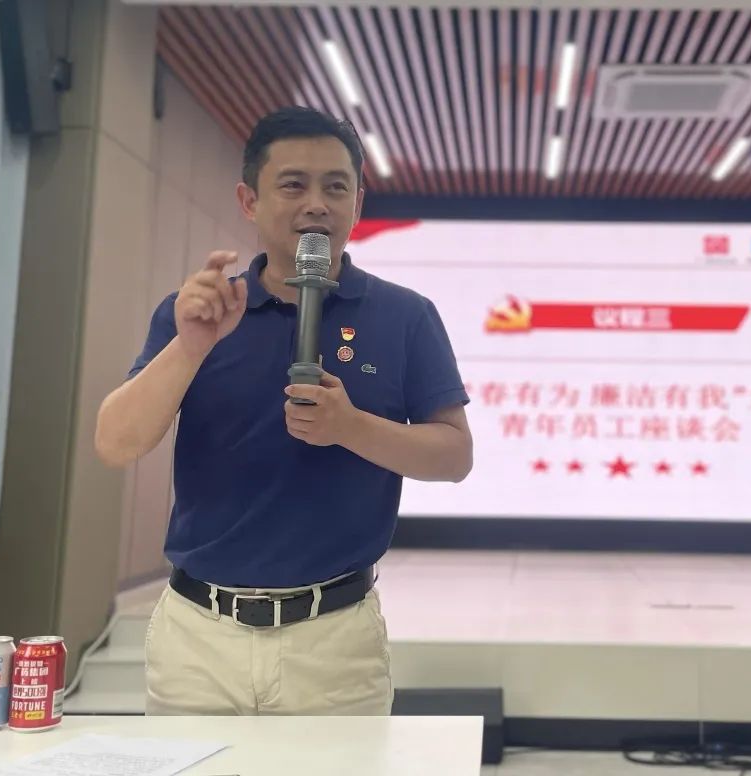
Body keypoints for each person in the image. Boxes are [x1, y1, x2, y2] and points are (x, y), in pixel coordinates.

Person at [95, 107, 472, 716]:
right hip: (198, 637)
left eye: (336, 187)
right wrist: (192, 346)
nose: (316, 204)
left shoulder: (406, 316)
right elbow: (116, 443)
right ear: (249, 200)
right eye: (293, 185)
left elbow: (455, 457)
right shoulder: (198, 313)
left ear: (357, 204)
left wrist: (350, 427)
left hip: (335, 640)